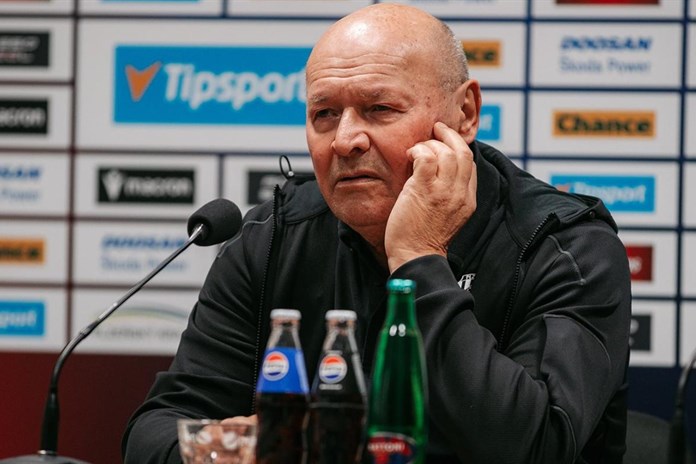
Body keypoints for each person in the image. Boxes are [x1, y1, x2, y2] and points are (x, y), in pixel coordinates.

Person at [122, 4, 631, 463]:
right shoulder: (274, 237)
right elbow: (157, 428)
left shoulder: (564, 246)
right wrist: (226, 450)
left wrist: (419, 257)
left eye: (380, 109)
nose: (344, 140)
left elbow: (534, 446)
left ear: (465, 114)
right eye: (324, 114)